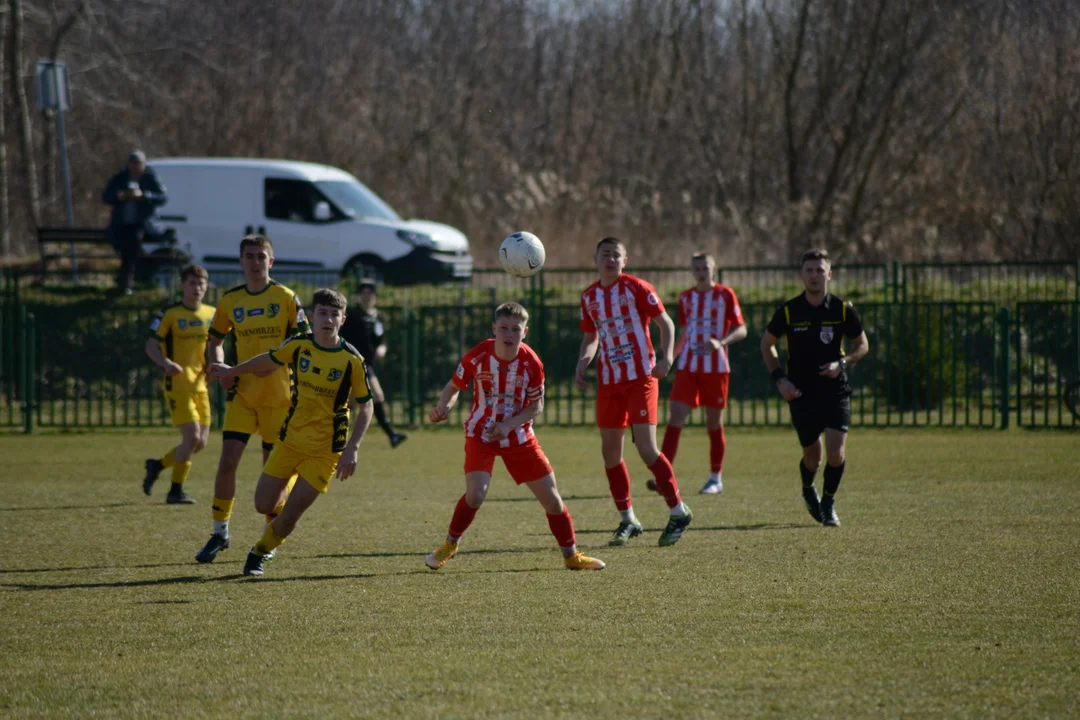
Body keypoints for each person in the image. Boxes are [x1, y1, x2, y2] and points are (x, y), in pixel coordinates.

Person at [425, 302, 605, 571]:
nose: (509, 334)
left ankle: (571, 555)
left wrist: (508, 425)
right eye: (504, 328)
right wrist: (444, 408)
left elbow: (536, 406)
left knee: (553, 501)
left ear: (525, 332)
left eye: (515, 329)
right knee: (476, 495)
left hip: (519, 437)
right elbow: (453, 387)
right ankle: (450, 544)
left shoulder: (532, 362)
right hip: (481, 434)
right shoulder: (478, 355)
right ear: (494, 329)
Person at [208, 288, 374, 577]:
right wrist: (233, 370)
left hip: (325, 451)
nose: (328, 319)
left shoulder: (351, 360)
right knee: (263, 504)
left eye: (334, 314)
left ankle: (258, 553)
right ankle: (282, 500)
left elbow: (366, 405)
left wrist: (353, 447)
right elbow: (267, 360)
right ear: (312, 317)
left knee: (290, 515)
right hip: (290, 441)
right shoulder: (299, 345)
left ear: (342, 320)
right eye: (322, 313)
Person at [195, 234, 308, 564]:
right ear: (241, 262)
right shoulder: (231, 301)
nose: (256, 262)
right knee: (227, 462)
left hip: (279, 398)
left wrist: (274, 361)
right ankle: (220, 532)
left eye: (261, 256)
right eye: (250, 256)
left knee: (271, 475)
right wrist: (220, 367)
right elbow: (215, 340)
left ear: (271, 262)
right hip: (242, 395)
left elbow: (302, 342)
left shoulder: (286, 298)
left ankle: (269, 537)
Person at [575, 237, 692, 547]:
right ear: (596, 259)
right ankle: (628, 519)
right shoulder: (589, 297)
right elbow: (591, 337)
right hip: (609, 381)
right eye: (605, 254)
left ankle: (678, 511)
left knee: (647, 449)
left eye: (616, 255)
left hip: (641, 376)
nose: (610, 259)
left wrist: (667, 358)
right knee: (610, 453)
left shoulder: (637, 287)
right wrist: (582, 362)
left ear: (624, 261)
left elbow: (665, 323)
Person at [760, 249, 870, 527]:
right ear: (801, 275)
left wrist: (842, 363)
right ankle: (808, 488)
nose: (814, 276)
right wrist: (780, 380)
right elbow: (766, 344)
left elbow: (862, 345)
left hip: (834, 390)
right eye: (809, 270)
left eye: (820, 270)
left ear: (829, 275)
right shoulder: (789, 310)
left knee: (836, 452)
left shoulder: (842, 309)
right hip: (801, 392)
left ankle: (828, 503)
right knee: (814, 459)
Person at [646, 253, 747, 495]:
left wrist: (721, 342)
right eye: (697, 268)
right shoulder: (686, 297)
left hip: (717, 369)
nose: (701, 272)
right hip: (688, 368)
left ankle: (715, 478)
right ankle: (664, 478)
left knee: (713, 423)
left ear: (714, 269)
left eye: (705, 267)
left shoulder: (725, 294)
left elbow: (742, 329)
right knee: (675, 418)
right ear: (692, 271)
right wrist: (670, 357)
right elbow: (685, 332)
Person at [142, 264, 215, 504]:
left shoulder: (211, 314)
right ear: (183, 286)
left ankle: (157, 465)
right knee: (192, 437)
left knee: (200, 443)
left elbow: (215, 347)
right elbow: (151, 345)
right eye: (192, 283)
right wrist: (165, 363)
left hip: (201, 385)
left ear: (206, 287)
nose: (197, 288)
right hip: (177, 385)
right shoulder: (171, 314)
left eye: (201, 284)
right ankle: (175, 491)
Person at [340, 280, 407, 448]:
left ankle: (391, 435)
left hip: (367, 364)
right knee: (376, 396)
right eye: (363, 293)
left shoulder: (376, 317)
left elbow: (381, 340)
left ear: (375, 296)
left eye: (370, 293)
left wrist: (382, 349)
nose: (366, 296)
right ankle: (391, 434)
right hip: (354, 362)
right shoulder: (353, 316)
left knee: (350, 401)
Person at [102, 150, 168, 294]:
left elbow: (162, 197)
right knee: (125, 247)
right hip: (120, 224)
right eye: (132, 163)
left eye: (138, 163)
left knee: (132, 245)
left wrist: (143, 195)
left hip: (141, 224)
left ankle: (125, 280)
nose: (135, 167)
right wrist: (119, 196)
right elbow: (106, 196)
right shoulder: (121, 177)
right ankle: (126, 278)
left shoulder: (149, 177)